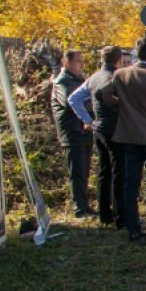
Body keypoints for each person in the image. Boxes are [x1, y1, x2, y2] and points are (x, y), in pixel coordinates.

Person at [103, 37, 146, 245]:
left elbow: (103, 95)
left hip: (128, 136)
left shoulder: (120, 74)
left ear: (136, 53)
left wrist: (120, 107)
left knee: (130, 184)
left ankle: (133, 229)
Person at [68, 45, 128, 227]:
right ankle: (120, 217)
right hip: (116, 130)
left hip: (98, 130)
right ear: (118, 61)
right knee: (119, 173)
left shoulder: (93, 78)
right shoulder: (115, 77)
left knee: (104, 172)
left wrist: (88, 120)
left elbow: (73, 99)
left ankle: (104, 214)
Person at [51, 49, 95, 218]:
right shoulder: (62, 82)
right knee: (76, 171)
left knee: (84, 170)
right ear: (66, 62)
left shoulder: (79, 80)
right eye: (78, 61)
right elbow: (70, 102)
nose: (81, 65)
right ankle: (79, 208)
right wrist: (89, 105)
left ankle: (85, 205)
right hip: (72, 132)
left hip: (84, 131)